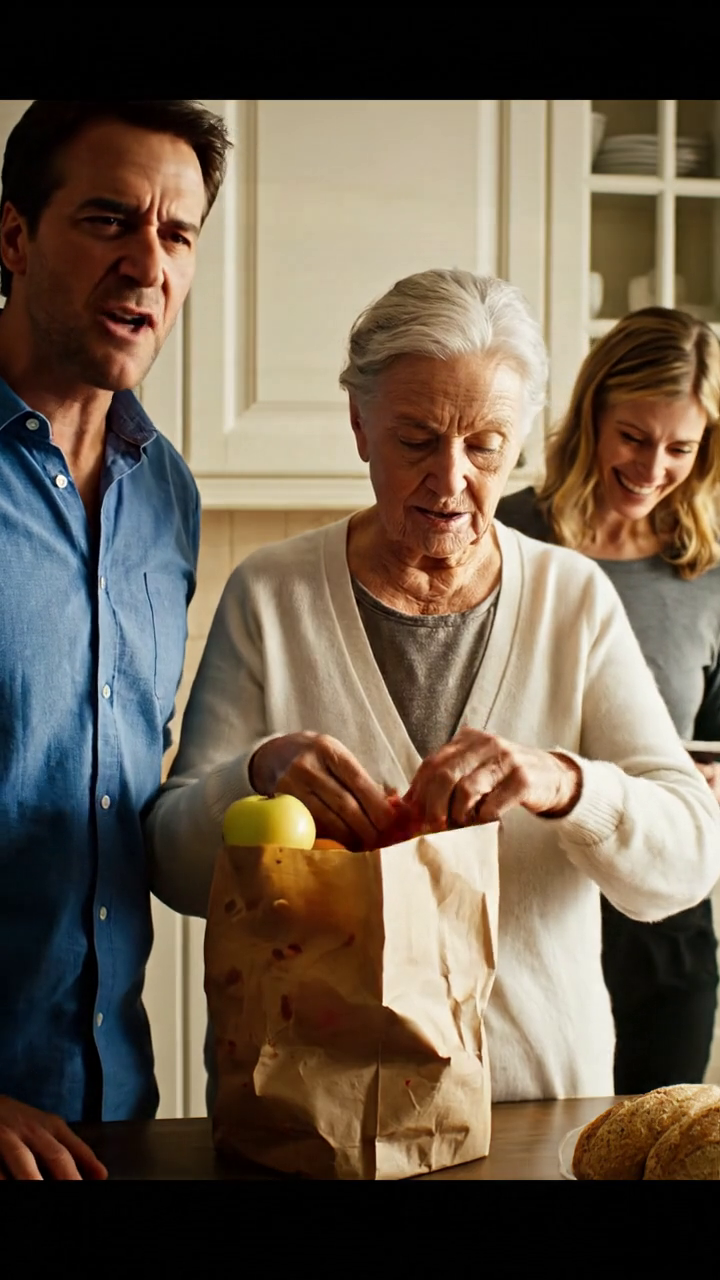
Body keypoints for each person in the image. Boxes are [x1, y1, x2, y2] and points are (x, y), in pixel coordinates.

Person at [146, 269, 720, 1106]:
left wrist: (567, 784)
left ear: (519, 443)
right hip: (316, 1111)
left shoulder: (572, 599)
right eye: (416, 440)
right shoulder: (272, 593)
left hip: (536, 1106)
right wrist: (255, 776)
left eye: (484, 446)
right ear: (359, 425)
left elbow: (685, 860)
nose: (451, 479)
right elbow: (171, 864)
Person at [0, 99, 231, 1179]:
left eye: (177, 233)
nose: (148, 264)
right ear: (13, 236)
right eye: (108, 221)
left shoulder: (166, 495)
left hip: (113, 1108)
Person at [497, 306, 720, 1094]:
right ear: (592, 412)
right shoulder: (508, 534)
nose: (654, 467)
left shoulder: (707, 570)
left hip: (664, 928)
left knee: (660, 1141)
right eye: (634, 436)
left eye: (681, 448)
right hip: (525, 915)